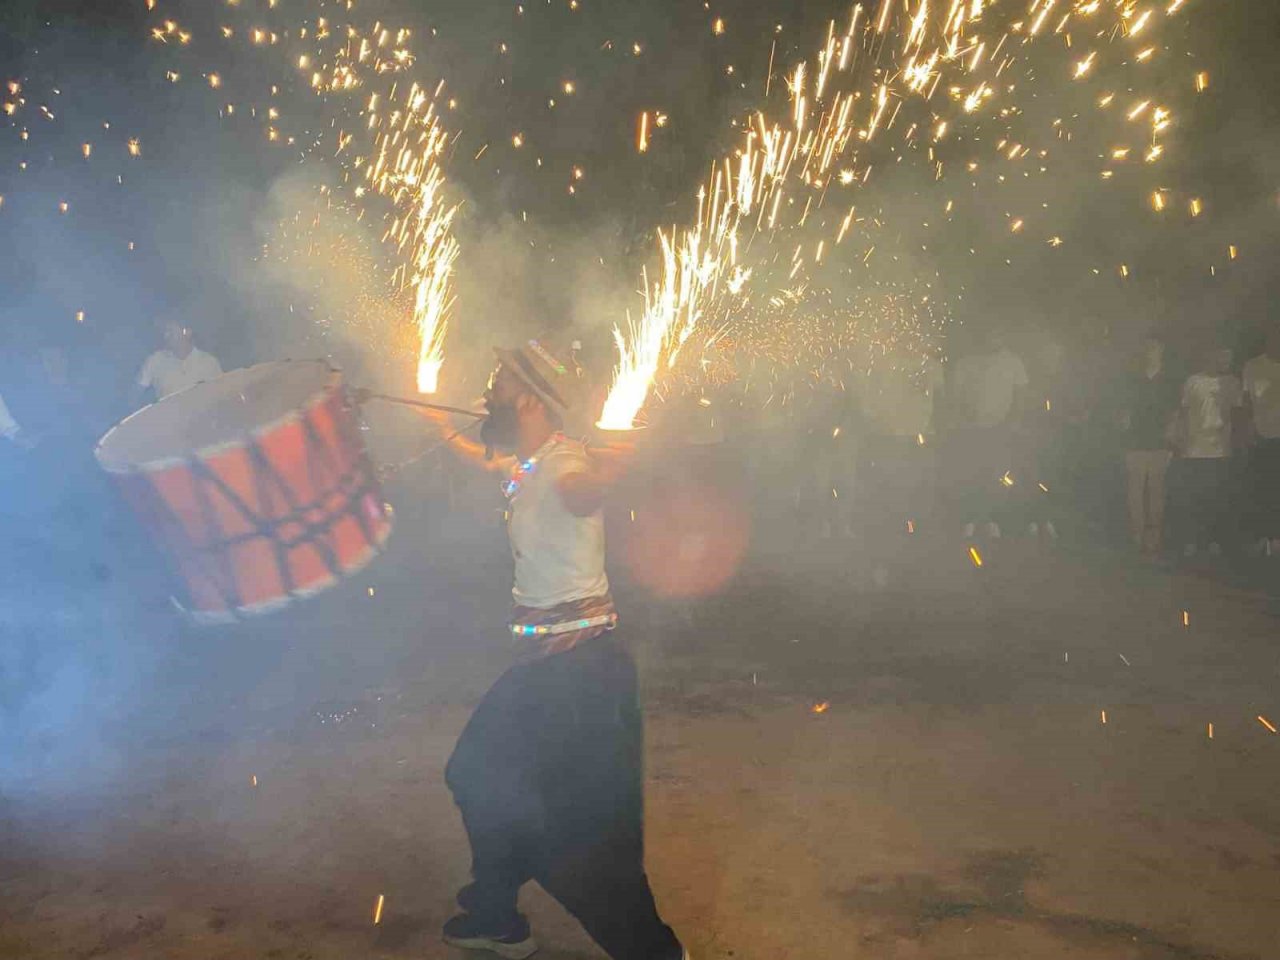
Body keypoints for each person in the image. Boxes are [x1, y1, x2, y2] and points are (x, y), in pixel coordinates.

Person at [421, 340, 687, 960]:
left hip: (581, 677)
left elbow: (582, 492)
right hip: (549, 669)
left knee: (583, 833)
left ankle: (652, 952)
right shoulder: (529, 463)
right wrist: (434, 423)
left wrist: (615, 468)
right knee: (480, 774)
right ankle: (495, 913)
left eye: (498, 383)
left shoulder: (566, 464)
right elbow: (492, 465)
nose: (487, 392)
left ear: (533, 400)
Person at [945, 329, 1029, 539]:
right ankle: (970, 519)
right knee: (971, 474)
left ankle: (993, 519)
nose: (992, 338)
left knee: (998, 475)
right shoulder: (966, 362)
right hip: (971, 429)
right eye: (988, 333)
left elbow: (1021, 395)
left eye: (997, 333)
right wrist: (963, 418)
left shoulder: (1013, 362)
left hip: (1001, 429)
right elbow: (955, 397)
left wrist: (1014, 421)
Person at [1169, 346, 1243, 557]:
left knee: (1217, 498)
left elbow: (1238, 415)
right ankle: (1191, 541)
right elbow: (1182, 413)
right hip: (1194, 450)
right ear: (1212, 356)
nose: (1226, 361)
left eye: (1229, 357)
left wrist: (1236, 443)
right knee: (1193, 498)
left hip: (1221, 450)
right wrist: (1179, 440)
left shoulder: (1232, 382)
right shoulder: (1192, 381)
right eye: (1223, 356)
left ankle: (1214, 541)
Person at [1117, 337, 1179, 555]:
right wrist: (1123, 423)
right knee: (1135, 489)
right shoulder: (1132, 378)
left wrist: (1171, 438)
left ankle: (1153, 537)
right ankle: (1137, 534)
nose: (1150, 352)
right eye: (1147, 347)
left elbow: (1175, 412)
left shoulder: (1169, 380)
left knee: (1156, 490)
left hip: (1160, 443)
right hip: (1135, 441)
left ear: (1161, 350)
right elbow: (1123, 409)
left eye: (1154, 347)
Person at [1243, 325, 1280, 556]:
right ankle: (1263, 537)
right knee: (1262, 490)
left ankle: (1277, 539)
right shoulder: (1253, 366)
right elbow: (1246, 401)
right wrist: (1249, 430)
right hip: (1262, 437)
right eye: (1273, 338)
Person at [131, 319, 223, 406]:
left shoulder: (208, 362)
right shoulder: (155, 361)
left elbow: (222, 395)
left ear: (186, 332)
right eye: (165, 332)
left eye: (171, 332)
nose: (166, 336)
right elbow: (134, 395)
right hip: (168, 420)